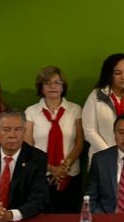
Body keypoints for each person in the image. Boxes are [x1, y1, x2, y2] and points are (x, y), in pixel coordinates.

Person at [0, 110, 50, 222]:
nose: (12, 135)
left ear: (24, 131)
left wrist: (11, 215)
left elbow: (39, 199)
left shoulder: (37, 158)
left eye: (18, 129)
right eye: (6, 130)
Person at [24, 66, 85, 213]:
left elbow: (79, 142)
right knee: (41, 218)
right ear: (41, 87)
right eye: (47, 83)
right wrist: (51, 168)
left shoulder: (75, 110)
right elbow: (28, 146)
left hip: (69, 173)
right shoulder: (31, 112)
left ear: (63, 86)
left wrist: (64, 167)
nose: (53, 86)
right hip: (41, 174)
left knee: (68, 217)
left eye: (57, 82)